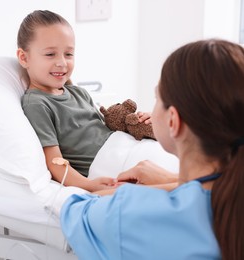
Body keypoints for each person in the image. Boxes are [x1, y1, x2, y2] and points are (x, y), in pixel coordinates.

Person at [60, 39, 244, 260]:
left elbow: (73, 209)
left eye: (157, 98)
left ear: (173, 121)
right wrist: (176, 181)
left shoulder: (128, 213)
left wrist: (158, 189)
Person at [17, 10, 153, 192]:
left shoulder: (78, 93)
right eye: (50, 54)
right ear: (24, 58)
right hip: (110, 163)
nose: (62, 63)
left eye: (68, 54)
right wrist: (87, 185)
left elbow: (104, 130)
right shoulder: (37, 104)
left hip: (127, 146)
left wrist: (141, 123)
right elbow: (54, 162)